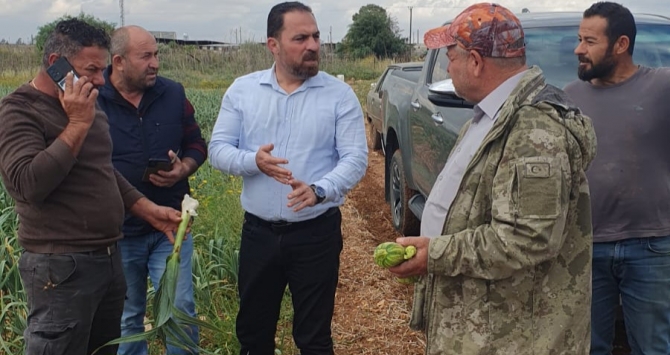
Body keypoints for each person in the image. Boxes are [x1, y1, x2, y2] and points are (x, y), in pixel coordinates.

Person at [388, 3, 598, 354]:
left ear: (475, 61)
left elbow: (526, 239)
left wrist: (435, 254)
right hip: (484, 328)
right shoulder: (489, 117)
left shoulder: (533, 130)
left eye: (450, 57)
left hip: (512, 338)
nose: (447, 68)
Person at [0, 19, 182, 355]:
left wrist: (148, 210)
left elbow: (102, 170)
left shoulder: (87, 103)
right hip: (61, 267)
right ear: (56, 64)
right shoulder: (19, 110)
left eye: (102, 68)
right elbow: (26, 184)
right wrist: (77, 123)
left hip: (108, 259)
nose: (101, 80)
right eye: (91, 69)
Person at [208, 2, 368, 354]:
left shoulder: (338, 95)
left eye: (315, 36)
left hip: (316, 234)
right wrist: (254, 161)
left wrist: (319, 189)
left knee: (313, 338)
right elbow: (217, 149)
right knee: (253, 333)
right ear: (273, 45)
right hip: (259, 235)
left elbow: (356, 157)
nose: (312, 45)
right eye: (300, 38)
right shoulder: (243, 91)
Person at [564, 2, 670, 354]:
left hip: (653, 244)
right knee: (588, 346)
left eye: (589, 41)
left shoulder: (662, 87)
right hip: (585, 245)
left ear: (621, 44)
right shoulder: (568, 99)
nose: (579, 49)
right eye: (580, 39)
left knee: (653, 347)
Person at [96, 25, 207, 355]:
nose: (156, 63)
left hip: (171, 228)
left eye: (157, 54)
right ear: (119, 61)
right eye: (146, 56)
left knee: (179, 309)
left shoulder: (172, 94)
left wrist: (183, 169)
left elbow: (196, 144)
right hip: (119, 232)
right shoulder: (93, 97)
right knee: (126, 318)